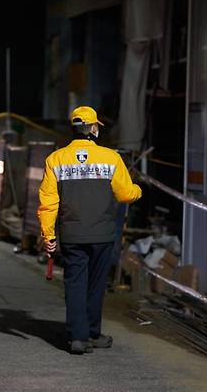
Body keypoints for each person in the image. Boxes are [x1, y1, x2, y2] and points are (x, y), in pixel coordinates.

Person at [37, 106, 142, 354]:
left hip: (72, 234)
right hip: (102, 234)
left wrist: (48, 235)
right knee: (95, 285)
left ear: (74, 129)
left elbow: (48, 203)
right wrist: (138, 190)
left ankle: (78, 338)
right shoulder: (111, 158)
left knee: (74, 284)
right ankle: (93, 333)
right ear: (94, 128)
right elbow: (126, 194)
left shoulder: (56, 159)